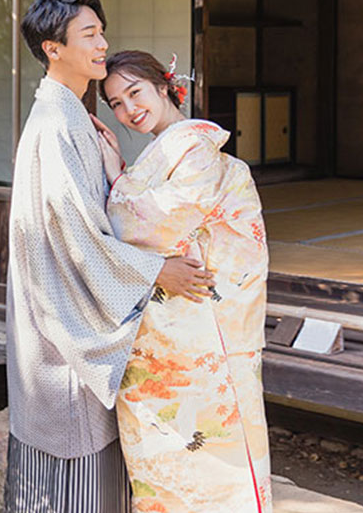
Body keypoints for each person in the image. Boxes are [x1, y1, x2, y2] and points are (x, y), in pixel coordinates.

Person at [4, 0, 214, 513]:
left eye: (102, 32)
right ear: (54, 48)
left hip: (67, 307)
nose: (103, 44)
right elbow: (76, 236)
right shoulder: (56, 124)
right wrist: (156, 271)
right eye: (89, 35)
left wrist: (116, 170)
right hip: (66, 320)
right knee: (74, 471)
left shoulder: (71, 114)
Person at [95, 50, 271, 513]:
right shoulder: (165, 153)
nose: (129, 109)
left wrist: (116, 177)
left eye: (135, 92)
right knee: (164, 444)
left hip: (204, 329)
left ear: (164, 85)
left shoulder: (196, 148)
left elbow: (149, 225)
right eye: (115, 103)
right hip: (171, 327)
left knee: (214, 439)